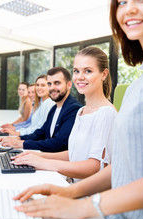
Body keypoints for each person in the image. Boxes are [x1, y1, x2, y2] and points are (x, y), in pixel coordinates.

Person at [13, 1, 143, 219]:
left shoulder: (110, 110)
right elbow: (124, 167)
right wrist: (68, 192)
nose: (129, 9)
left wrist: (83, 204)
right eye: (123, 1)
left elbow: (97, 165)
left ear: (103, 74)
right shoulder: (138, 86)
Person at [11, 47, 117, 182]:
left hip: (88, 195)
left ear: (104, 74)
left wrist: (44, 163)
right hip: (70, 184)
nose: (80, 77)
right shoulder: (81, 111)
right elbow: (73, 155)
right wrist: (38, 155)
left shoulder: (106, 113)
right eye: (76, 71)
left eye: (88, 71)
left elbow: (94, 167)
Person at [0, 67, 82, 152]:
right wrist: (17, 138)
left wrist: (21, 144)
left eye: (57, 83)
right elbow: (40, 133)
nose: (52, 88)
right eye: (49, 84)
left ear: (69, 85)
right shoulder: (54, 108)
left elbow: (57, 143)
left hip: (58, 162)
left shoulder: (73, 109)